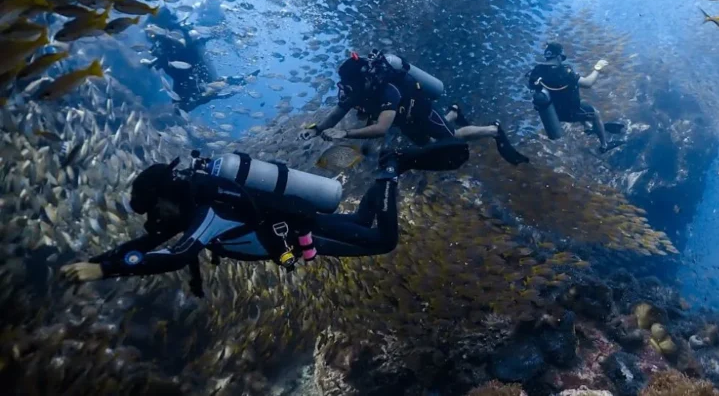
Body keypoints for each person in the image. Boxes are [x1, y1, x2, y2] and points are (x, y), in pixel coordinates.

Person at [59, 142, 469, 290]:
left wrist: (105, 271)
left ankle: (390, 168)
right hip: (297, 229)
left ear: (165, 196)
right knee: (362, 222)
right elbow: (148, 243)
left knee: (383, 241)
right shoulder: (190, 209)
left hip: (301, 235)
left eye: (155, 208)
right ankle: (388, 169)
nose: (157, 218)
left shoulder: (208, 210)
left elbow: (177, 257)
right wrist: (99, 263)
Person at [299, 50, 528, 165]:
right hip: (405, 121)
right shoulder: (357, 90)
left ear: (363, 80)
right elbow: (337, 113)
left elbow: (381, 128)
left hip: (421, 111)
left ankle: (493, 130)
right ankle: (454, 112)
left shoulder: (388, 89)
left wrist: (346, 133)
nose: (349, 89)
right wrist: (317, 129)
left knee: (452, 138)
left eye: (351, 84)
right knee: (428, 146)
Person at [526, 42, 624, 153]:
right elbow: (588, 83)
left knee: (580, 102)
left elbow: (533, 86)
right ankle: (604, 146)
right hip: (568, 113)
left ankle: (587, 127)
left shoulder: (537, 71)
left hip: (552, 112)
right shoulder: (564, 72)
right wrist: (598, 68)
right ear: (559, 56)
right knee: (595, 114)